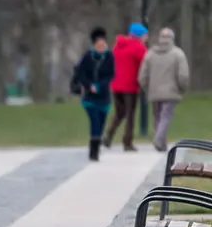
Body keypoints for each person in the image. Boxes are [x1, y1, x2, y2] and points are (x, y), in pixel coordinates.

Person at [138, 27, 190, 152]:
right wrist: (182, 88)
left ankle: (161, 143)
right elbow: (183, 75)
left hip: (154, 91)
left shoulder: (150, 53)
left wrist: (146, 87)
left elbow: (142, 75)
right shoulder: (178, 53)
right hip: (171, 91)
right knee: (165, 117)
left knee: (157, 116)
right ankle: (159, 139)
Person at [105, 22, 149, 151]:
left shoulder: (117, 47)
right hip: (130, 86)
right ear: (139, 36)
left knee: (120, 112)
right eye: (145, 35)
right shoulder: (138, 47)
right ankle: (127, 142)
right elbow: (145, 64)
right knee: (130, 114)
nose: (146, 38)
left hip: (115, 85)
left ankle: (108, 135)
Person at [74, 26, 115, 161]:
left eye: (103, 43)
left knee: (101, 124)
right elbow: (80, 73)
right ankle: (93, 152)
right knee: (95, 122)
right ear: (94, 44)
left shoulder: (109, 56)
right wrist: (89, 85)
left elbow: (111, 74)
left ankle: (96, 147)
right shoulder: (87, 56)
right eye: (98, 44)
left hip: (103, 96)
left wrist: (100, 85)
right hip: (90, 98)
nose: (101, 46)